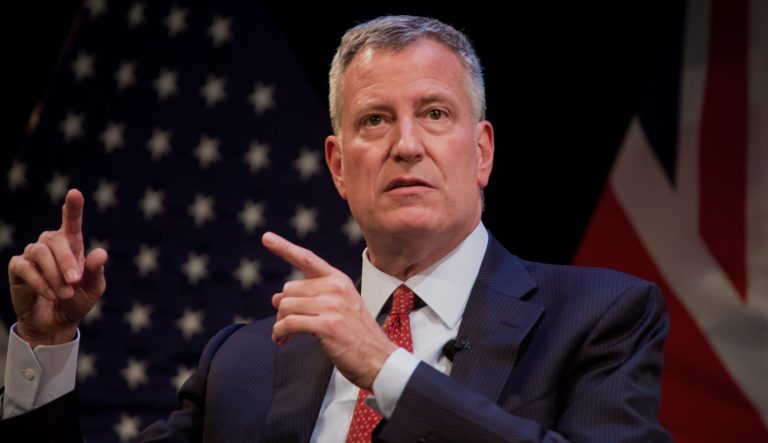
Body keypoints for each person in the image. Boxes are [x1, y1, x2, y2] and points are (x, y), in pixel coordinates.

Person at [1, 15, 671, 442]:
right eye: (375, 120)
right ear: (338, 165)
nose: (406, 144)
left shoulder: (600, 317)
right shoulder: (243, 361)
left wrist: (385, 366)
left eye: (435, 114)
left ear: (484, 151)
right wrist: (46, 347)